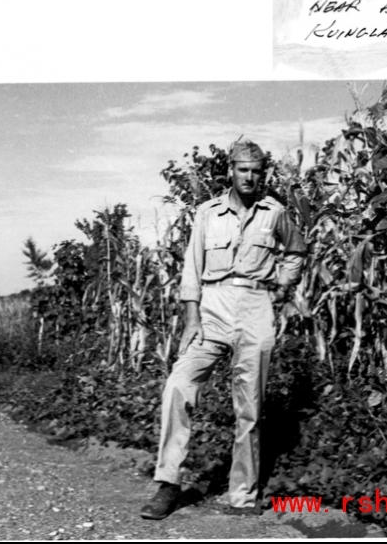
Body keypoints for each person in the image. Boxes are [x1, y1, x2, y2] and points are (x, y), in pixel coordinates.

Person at [140, 138, 307, 519]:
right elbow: (191, 269)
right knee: (178, 386)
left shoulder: (274, 213)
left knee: (249, 407)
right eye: (243, 170)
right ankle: (168, 485)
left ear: (263, 174)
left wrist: (282, 285)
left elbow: (296, 249)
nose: (249, 177)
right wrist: (191, 318)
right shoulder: (207, 213)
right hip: (212, 310)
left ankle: (242, 495)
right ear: (230, 171)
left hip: (255, 309)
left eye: (256, 171)